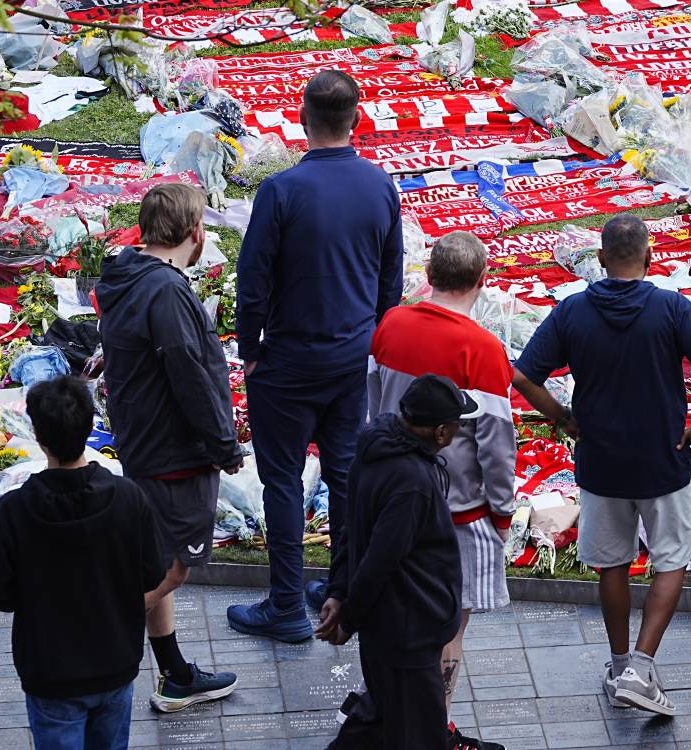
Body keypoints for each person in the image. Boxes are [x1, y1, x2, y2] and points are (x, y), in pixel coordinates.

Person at [511, 214, 691, 716]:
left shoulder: (572, 311)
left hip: (601, 464)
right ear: (650, 258)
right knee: (670, 560)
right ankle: (642, 666)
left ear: (601, 260)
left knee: (610, 563)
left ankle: (617, 663)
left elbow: (523, 377)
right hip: (664, 462)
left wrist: (563, 417)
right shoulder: (672, 308)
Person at [230, 69, 404, 642]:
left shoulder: (281, 191)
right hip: (351, 358)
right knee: (346, 476)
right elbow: (390, 281)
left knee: (282, 480)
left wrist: (249, 346)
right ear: (356, 120)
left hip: (285, 361)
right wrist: (371, 340)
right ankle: (338, 593)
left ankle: (285, 603)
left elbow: (252, 278)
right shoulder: (380, 185)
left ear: (302, 119)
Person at [357, 230, 515, 750]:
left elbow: (375, 403)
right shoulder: (483, 348)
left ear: (428, 276)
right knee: (449, 622)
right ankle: (435, 728)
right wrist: (503, 511)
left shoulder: (392, 324)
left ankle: (390, 712)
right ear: (482, 281)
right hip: (458, 511)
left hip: (389, 491)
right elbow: (496, 444)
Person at [94, 182, 241, 712]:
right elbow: (189, 374)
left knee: (153, 562)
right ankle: (85, 641)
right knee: (173, 568)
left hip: (142, 440)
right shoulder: (169, 292)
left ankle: (175, 674)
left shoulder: (128, 276)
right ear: (194, 233)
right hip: (174, 452)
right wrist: (223, 443)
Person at [0, 377, 165, 750]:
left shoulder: (15, 511)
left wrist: (34, 597)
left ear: (39, 436)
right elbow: (152, 573)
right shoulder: (129, 497)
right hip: (115, 662)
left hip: (51, 671)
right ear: (89, 427)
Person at [317, 374, 470, 750]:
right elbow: (380, 561)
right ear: (439, 432)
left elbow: (349, 528)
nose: (456, 433)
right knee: (421, 734)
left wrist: (338, 591)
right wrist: (347, 618)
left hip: (388, 628)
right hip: (409, 627)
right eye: (455, 426)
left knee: (377, 718)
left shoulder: (373, 446)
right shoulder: (412, 482)